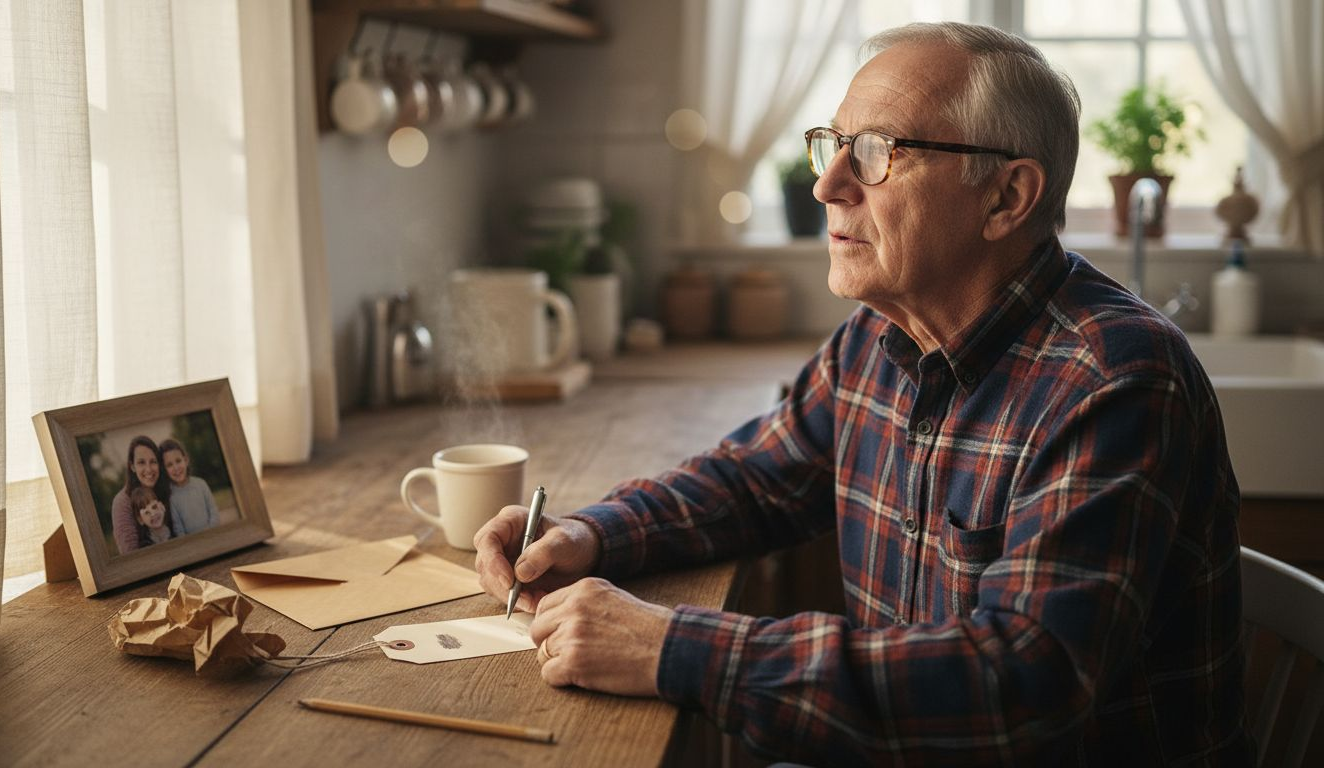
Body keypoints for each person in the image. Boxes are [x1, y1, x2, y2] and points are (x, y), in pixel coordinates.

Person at [473, 21, 1252, 765]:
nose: (826, 184)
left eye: (878, 152)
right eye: (835, 144)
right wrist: (590, 533)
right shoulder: (880, 337)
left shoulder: (1114, 378)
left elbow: (1022, 685)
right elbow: (754, 479)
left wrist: (669, 646)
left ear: (1007, 198)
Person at [110, 435, 173, 556]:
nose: (148, 469)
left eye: (153, 462)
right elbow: (130, 554)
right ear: (132, 466)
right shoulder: (122, 502)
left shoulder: (165, 490)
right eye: (141, 463)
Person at [160, 438, 220, 535]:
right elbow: (178, 529)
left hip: (213, 536)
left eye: (178, 461)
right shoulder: (171, 496)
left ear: (186, 460)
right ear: (164, 469)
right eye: (169, 465)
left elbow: (214, 513)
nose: (176, 468)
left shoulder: (201, 484)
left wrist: (210, 534)